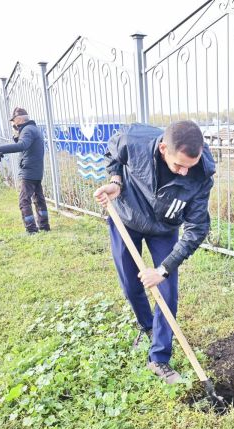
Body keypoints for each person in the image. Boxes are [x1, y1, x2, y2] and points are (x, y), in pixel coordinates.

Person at [93, 120, 215, 384]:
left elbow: (196, 229)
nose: (184, 173)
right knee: (130, 284)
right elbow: (113, 152)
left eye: (189, 166)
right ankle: (147, 326)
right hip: (127, 217)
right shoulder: (133, 140)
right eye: (178, 165)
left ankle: (159, 358)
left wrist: (163, 269)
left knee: (167, 289)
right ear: (163, 149)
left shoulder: (201, 174)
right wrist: (116, 181)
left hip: (164, 227)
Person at [0, 107, 50, 234]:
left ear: (20, 119)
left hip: (28, 170)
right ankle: (44, 226)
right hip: (36, 169)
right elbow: (25, 144)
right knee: (39, 198)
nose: (13, 123)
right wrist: (17, 134)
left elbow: (22, 145)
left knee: (24, 201)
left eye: (14, 121)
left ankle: (31, 229)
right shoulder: (33, 129)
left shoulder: (27, 130)